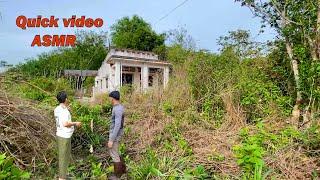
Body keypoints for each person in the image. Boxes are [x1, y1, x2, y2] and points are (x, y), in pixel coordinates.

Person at [54, 91, 81, 180]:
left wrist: (67, 108)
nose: (68, 99)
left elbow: (62, 117)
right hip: (64, 136)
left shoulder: (57, 108)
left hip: (60, 135)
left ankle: (63, 175)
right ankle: (62, 178)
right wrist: (75, 123)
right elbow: (65, 124)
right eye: (67, 98)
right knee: (63, 158)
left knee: (63, 156)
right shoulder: (63, 111)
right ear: (65, 99)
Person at [107, 91, 126, 178]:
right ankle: (123, 171)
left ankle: (117, 176)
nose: (109, 99)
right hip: (116, 134)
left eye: (110, 97)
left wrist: (111, 140)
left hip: (115, 135)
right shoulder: (118, 107)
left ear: (112, 98)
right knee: (116, 152)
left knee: (114, 153)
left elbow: (117, 125)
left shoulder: (117, 109)